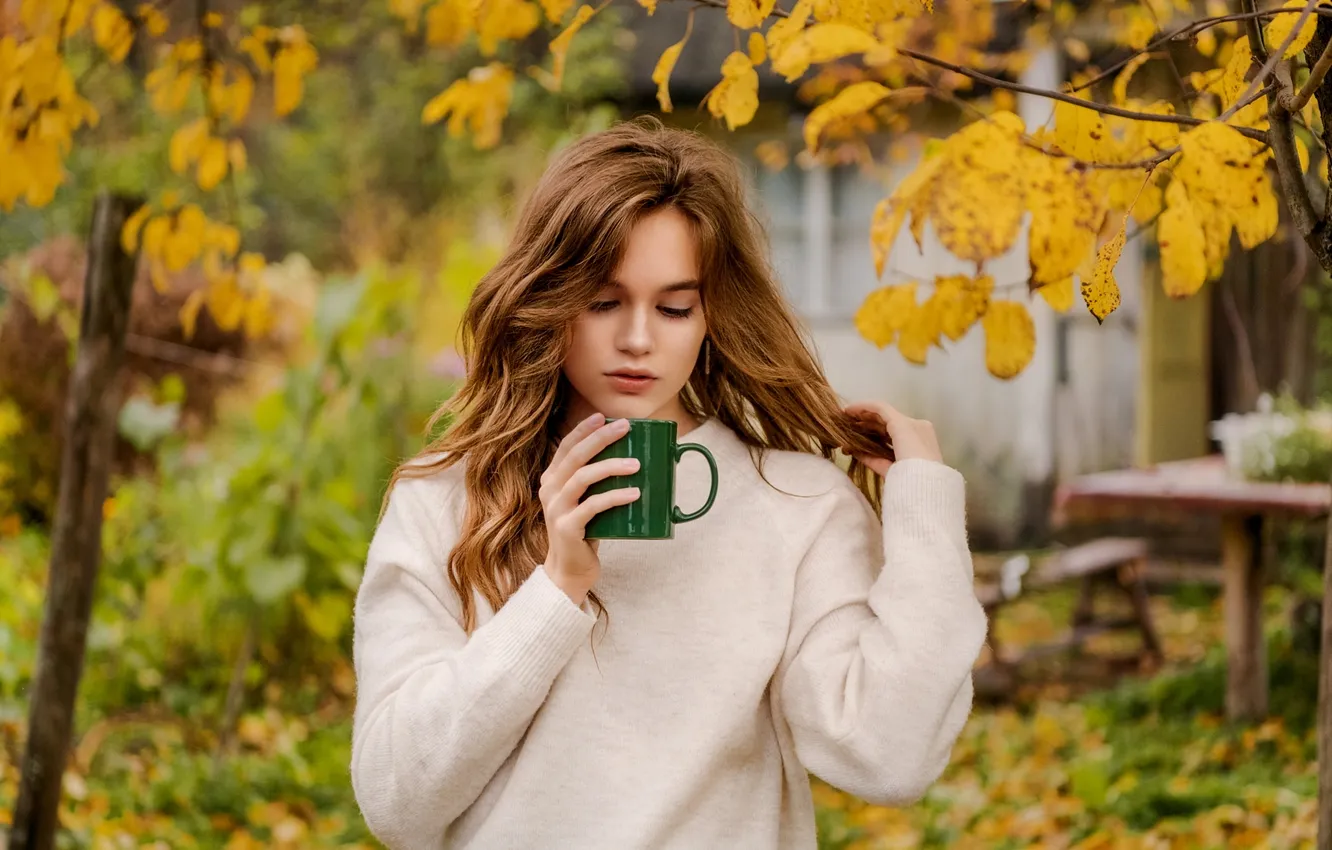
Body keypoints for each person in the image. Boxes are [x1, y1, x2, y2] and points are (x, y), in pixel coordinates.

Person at [350, 117, 988, 850]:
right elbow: (395, 799)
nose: (638, 339)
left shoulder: (797, 506)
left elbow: (889, 757)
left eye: (675, 307)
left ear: (711, 316)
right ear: (548, 298)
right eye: (603, 301)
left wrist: (926, 514)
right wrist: (555, 591)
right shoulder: (444, 501)